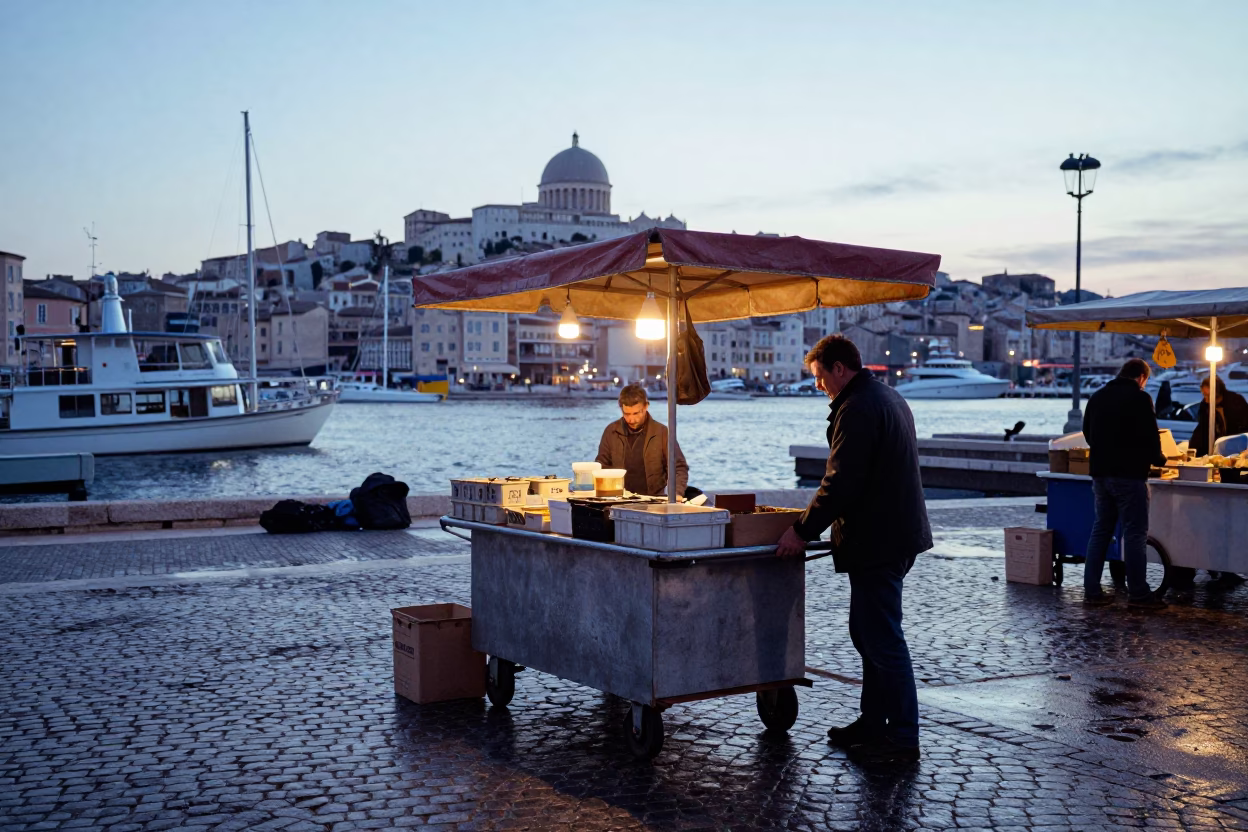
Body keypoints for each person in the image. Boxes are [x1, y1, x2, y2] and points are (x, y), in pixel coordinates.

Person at [776, 335, 931, 764]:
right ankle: (873, 721)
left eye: (819, 376)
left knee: (882, 638)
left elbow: (841, 482)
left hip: (879, 537)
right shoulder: (886, 397)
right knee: (868, 633)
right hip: (894, 533)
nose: (819, 385)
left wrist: (800, 531)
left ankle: (902, 737)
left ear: (839, 368)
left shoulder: (859, 407)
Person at [1081, 358, 1167, 609]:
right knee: (1135, 533)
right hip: (1129, 476)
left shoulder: (1097, 396)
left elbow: (1088, 433)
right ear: (1141, 377)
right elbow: (1152, 438)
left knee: (1101, 531)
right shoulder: (1141, 399)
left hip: (1100, 475)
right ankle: (1139, 593)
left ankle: (1092, 591)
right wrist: (1159, 459)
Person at [595, 383, 688, 498]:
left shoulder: (662, 432)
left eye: (636, 413)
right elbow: (601, 466)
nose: (632, 419)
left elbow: (678, 468)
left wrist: (677, 493)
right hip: (618, 499)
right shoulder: (611, 431)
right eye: (627, 414)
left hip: (653, 500)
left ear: (646, 406)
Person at [1188, 375, 1248, 457]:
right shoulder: (1205, 406)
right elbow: (1202, 429)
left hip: (1236, 448)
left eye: (1208, 396)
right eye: (1204, 395)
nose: (1206, 400)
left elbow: (1243, 427)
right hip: (1215, 449)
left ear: (1217, 392)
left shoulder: (1236, 402)